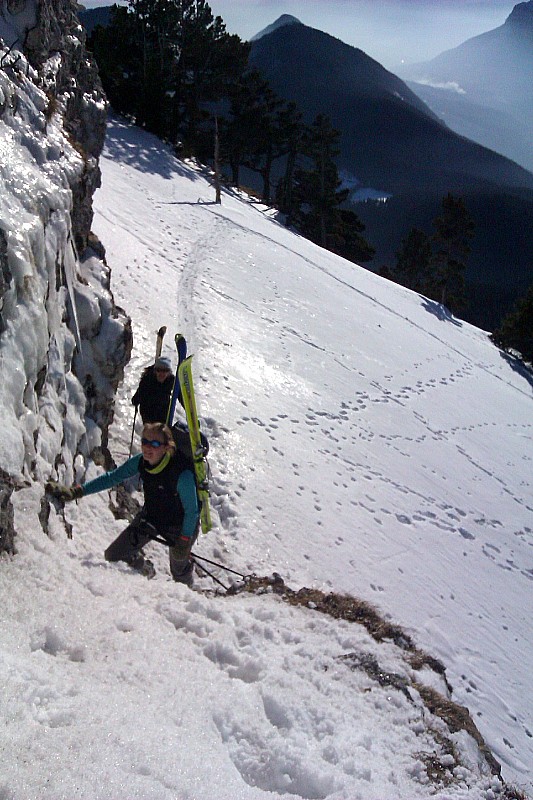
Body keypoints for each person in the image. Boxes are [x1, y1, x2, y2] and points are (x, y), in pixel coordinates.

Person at [47, 422, 199, 585]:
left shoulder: (181, 475)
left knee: (178, 570)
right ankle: (144, 570)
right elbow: (113, 478)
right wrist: (78, 491)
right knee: (113, 555)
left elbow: (192, 511)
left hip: (181, 525)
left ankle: (188, 595)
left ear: (166, 447)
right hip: (152, 518)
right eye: (145, 442)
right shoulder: (141, 462)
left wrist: (184, 540)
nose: (148, 447)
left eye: (155, 443)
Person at [131, 356, 175, 424]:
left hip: (163, 413)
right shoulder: (147, 380)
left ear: (169, 372)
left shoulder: (171, 380)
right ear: (155, 371)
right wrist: (136, 400)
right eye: (159, 370)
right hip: (148, 413)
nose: (162, 374)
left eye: (165, 371)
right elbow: (138, 395)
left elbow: (181, 395)